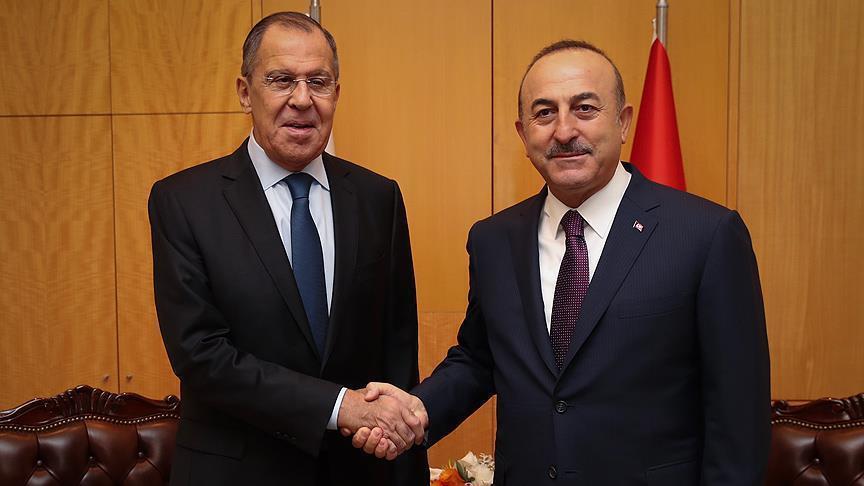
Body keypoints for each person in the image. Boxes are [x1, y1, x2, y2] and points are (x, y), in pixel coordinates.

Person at [354, 40, 771, 484]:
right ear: (523, 134)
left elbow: (738, 420)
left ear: (624, 122)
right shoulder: (494, 240)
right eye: (545, 113)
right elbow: (480, 358)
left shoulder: (706, 235)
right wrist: (418, 410)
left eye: (585, 108)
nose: (564, 130)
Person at [148, 12, 427, 486]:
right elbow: (201, 355)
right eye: (281, 80)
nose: (302, 99)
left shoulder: (379, 198)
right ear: (244, 92)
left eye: (318, 82)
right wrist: (339, 407)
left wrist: (402, 453)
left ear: (336, 93)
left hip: (359, 472)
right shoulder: (184, 201)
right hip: (236, 474)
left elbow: (398, 350)